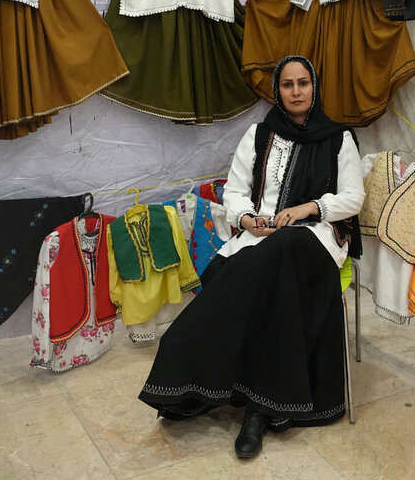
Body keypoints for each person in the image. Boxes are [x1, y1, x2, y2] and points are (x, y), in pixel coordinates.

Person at [138, 55, 366, 458]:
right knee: (262, 271)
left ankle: (252, 406)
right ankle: (252, 401)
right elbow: (236, 191)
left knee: (275, 253)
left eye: (303, 83)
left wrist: (307, 208)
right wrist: (247, 219)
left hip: (316, 238)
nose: (296, 92)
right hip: (261, 237)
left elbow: (353, 198)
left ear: (314, 87)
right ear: (277, 91)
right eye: (287, 85)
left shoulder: (338, 138)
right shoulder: (259, 135)